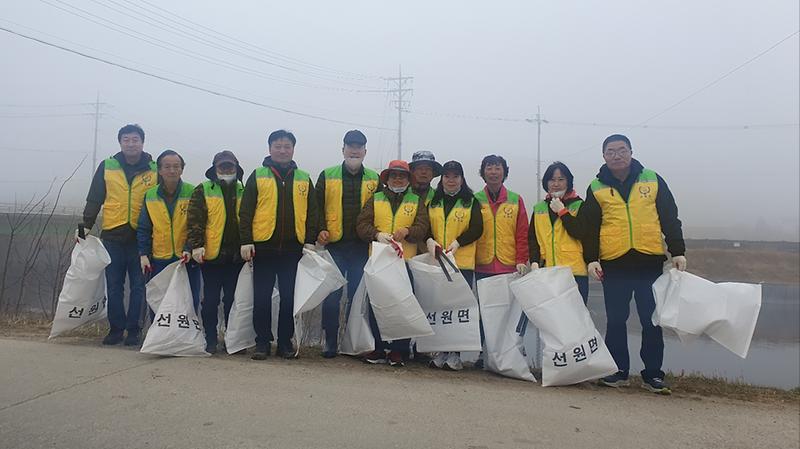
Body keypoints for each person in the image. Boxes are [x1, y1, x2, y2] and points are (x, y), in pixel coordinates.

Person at [581, 134, 686, 395]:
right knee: (616, 320)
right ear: (603, 156)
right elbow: (590, 227)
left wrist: (677, 251)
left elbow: (669, 216)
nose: (617, 155)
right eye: (611, 151)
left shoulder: (651, 179)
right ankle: (618, 372)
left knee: (651, 321)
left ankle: (652, 375)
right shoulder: (596, 186)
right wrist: (592, 259)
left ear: (631, 151)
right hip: (614, 263)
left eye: (621, 150)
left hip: (648, 261)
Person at [239, 130, 319, 360]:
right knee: (262, 298)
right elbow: (245, 211)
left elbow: (313, 212)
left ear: (293, 149)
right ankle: (262, 342)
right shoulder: (258, 175)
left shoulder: (304, 178)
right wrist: (246, 240)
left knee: (289, 298)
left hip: (293, 250)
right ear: (270, 148)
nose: (282, 150)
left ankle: (285, 342)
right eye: (278, 146)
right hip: (263, 247)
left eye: (287, 146)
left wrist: (310, 240)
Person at [80, 124, 157, 346]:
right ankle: (115, 329)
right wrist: (84, 226)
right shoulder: (108, 166)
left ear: (142, 142)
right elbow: (95, 197)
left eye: (135, 139)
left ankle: (134, 331)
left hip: (141, 239)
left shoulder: (154, 169)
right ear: (120, 142)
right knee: (113, 286)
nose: (131, 143)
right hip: (112, 235)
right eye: (126, 139)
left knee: (139, 286)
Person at [356, 160, 429, 367]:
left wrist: (408, 231)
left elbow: (423, 227)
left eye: (402, 176)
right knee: (376, 305)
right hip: (379, 261)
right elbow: (362, 224)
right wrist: (377, 235)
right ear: (387, 179)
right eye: (394, 176)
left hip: (405, 261)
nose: (398, 179)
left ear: (408, 179)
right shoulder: (375, 199)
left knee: (403, 306)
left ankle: (400, 350)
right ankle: (379, 348)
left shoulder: (416, 201)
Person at [315, 130, 379, 358]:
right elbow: (316, 207)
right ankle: (329, 342)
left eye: (359, 146)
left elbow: (380, 211)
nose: (354, 150)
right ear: (343, 149)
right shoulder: (327, 174)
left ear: (365, 151)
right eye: (350, 146)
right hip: (335, 245)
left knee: (358, 296)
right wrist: (320, 229)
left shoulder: (374, 178)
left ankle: (353, 341)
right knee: (332, 295)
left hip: (362, 247)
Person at [424, 161, 483, 371]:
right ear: (442, 179)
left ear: (462, 178)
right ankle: (440, 351)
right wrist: (430, 240)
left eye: (455, 176)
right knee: (440, 308)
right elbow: (425, 225)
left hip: (462, 264)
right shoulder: (433, 201)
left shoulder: (470, 201)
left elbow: (477, 228)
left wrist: (458, 242)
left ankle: (455, 355)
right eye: (447, 176)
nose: (451, 180)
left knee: (458, 310)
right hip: (437, 262)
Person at [473, 154, 530, 368]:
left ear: (504, 172)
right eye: (489, 168)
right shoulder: (475, 199)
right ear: (483, 172)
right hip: (482, 263)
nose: (494, 172)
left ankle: (504, 354)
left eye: (498, 168)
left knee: (505, 313)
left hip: (508, 264)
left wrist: (522, 259)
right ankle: (482, 353)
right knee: (483, 311)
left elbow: (522, 233)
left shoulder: (516, 199)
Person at [186, 150, 245, 354]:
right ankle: (210, 338)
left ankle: (232, 340)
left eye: (230, 167)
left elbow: (249, 220)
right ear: (215, 169)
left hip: (237, 258)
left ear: (237, 169)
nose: (227, 170)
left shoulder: (243, 189)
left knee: (233, 301)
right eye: (223, 167)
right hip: (211, 256)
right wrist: (196, 245)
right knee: (210, 301)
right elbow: (194, 220)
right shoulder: (202, 190)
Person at [137, 149, 201, 316]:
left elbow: (197, 225)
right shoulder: (150, 195)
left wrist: (189, 248)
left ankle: (188, 338)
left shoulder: (193, 192)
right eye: (167, 166)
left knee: (188, 300)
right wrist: (143, 253)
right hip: (159, 259)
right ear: (159, 170)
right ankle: (158, 337)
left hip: (186, 258)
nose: (172, 170)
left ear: (182, 169)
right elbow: (144, 227)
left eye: (176, 166)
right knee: (159, 300)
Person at [528, 161, 589, 304]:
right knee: (551, 321)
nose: (556, 184)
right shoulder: (539, 208)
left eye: (561, 179)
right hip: (547, 272)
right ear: (546, 183)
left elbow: (580, 232)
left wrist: (563, 212)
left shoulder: (579, 205)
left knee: (575, 319)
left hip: (574, 272)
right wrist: (534, 261)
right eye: (552, 180)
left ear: (568, 181)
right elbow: (532, 238)